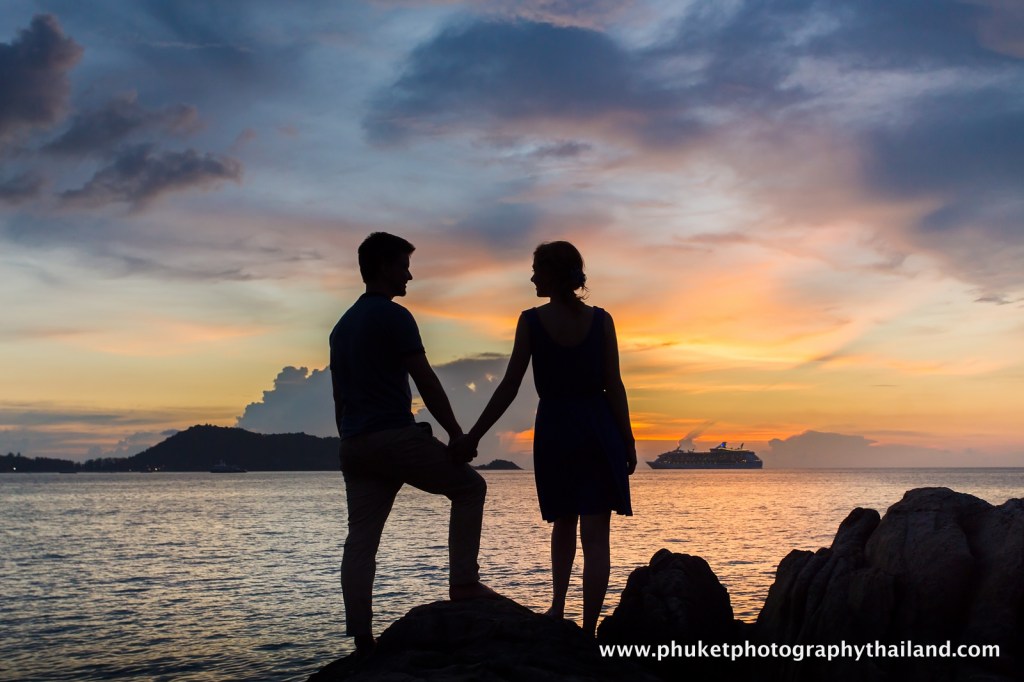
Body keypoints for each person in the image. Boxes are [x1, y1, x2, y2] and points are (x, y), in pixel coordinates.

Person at [453, 240, 636, 636]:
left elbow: (509, 386)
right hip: (599, 427)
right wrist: (627, 439)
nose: (532, 278)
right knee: (596, 535)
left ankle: (557, 608)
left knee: (563, 522)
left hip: (557, 428)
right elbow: (614, 385)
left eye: (537, 270)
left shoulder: (531, 321)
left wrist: (474, 435)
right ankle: (588, 630)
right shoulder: (602, 321)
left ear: (553, 274)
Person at [330, 232, 497, 656]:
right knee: (470, 488)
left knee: (361, 540)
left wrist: (350, 441)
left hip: (355, 443)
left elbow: (339, 398)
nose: (409, 275)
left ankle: (363, 640)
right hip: (394, 437)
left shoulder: (341, 327)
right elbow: (425, 378)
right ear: (383, 267)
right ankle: (464, 582)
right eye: (404, 266)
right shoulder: (394, 316)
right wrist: (456, 433)